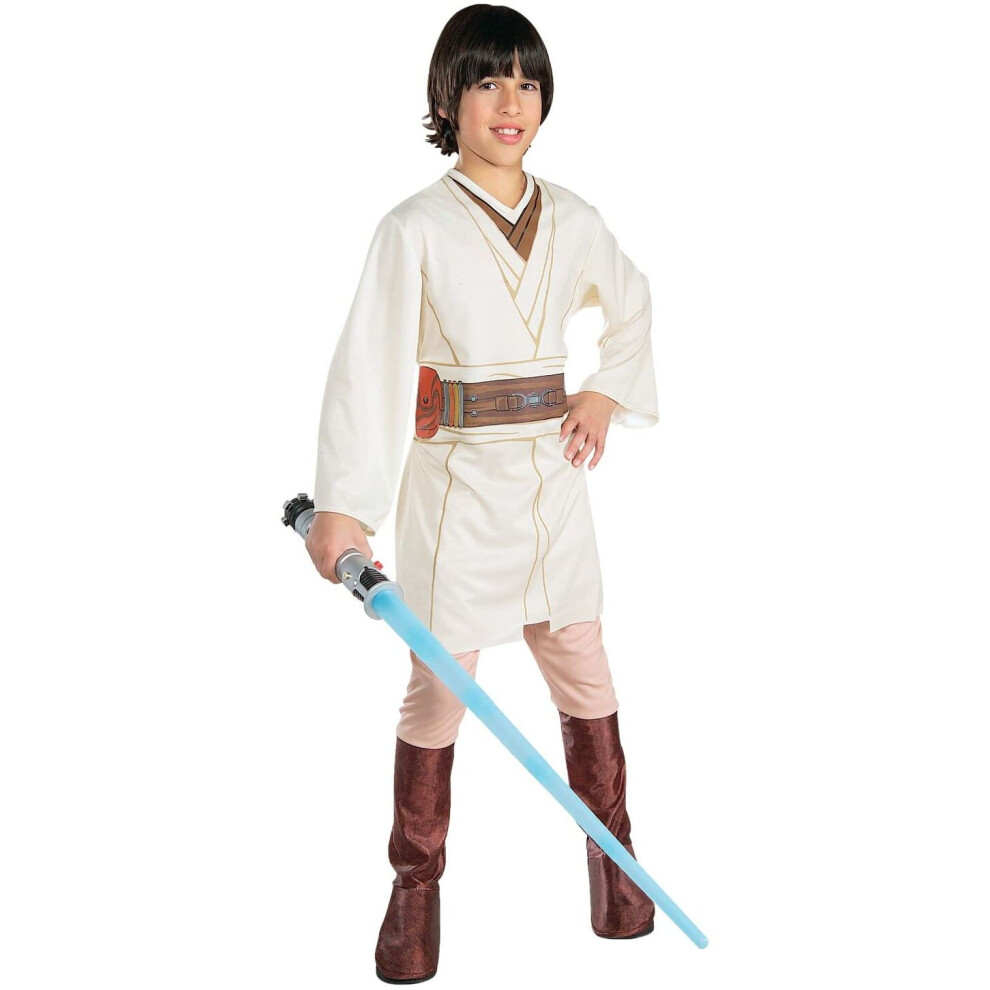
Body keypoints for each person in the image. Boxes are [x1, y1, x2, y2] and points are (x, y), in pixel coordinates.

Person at [305, 5, 659, 982]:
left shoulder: (574, 218)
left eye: (527, 83)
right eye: (489, 82)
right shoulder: (414, 228)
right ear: (447, 101)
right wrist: (345, 506)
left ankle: (618, 870)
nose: (511, 102)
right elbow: (369, 366)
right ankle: (413, 890)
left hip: (551, 476)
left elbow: (632, 304)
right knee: (442, 678)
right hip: (457, 483)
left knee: (582, 659)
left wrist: (603, 390)